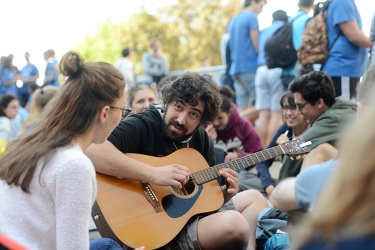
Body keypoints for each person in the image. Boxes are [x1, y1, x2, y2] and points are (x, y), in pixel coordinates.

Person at [86, 71, 268, 250]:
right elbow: (91, 149)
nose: (181, 119)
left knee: (255, 198)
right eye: (178, 107)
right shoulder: (143, 124)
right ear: (168, 102)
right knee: (235, 224)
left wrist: (226, 193)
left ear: (202, 120)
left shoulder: (201, 139)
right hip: (149, 231)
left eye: (193, 114)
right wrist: (153, 173)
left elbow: (204, 203)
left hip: (184, 222)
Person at [0, 51, 131, 250]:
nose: (122, 117)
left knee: (106, 244)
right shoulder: (74, 164)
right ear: (105, 113)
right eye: (122, 110)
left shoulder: (31, 141)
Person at [291, 92, 375, 250]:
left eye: (300, 106)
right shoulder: (288, 126)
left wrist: (285, 144)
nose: (295, 112)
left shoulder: (330, 120)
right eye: (287, 107)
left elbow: (297, 146)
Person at [277, 71, 356, 182]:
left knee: (319, 151)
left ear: (319, 103)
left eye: (300, 106)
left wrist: (281, 187)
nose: (298, 112)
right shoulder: (339, 108)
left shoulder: (332, 118)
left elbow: (299, 146)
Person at [244, 91, 309, 197]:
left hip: (304, 184)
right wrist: (269, 187)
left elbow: (310, 149)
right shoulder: (285, 129)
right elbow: (263, 161)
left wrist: (287, 145)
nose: (288, 113)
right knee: (244, 177)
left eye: (293, 108)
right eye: (285, 108)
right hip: (283, 183)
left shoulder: (312, 128)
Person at [323, 0, 373, 100]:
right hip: (343, 69)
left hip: (345, 70)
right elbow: (354, 36)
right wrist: (372, 44)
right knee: (345, 111)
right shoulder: (343, 2)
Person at [228, 0, 267, 119]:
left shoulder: (234, 19)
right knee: (262, 107)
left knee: (243, 108)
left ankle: (235, 125)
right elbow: (257, 46)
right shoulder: (251, 17)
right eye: (261, 6)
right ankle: (232, 121)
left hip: (236, 69)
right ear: (253, 2)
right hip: (250, 68)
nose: (261, 10)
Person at [255, 9, 288, 148]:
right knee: (276, 114)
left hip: (261, 70)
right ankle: (272, 150)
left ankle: (260, 149)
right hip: (276, 70)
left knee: (263, 114)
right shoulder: (285, 28)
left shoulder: (264, 30)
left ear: (273, 19)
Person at [282, 0, 314, 84]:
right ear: (312, 5)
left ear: (298, 4)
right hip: (299, 68)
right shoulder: (308, 20)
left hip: (285, 67)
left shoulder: (289, 20)